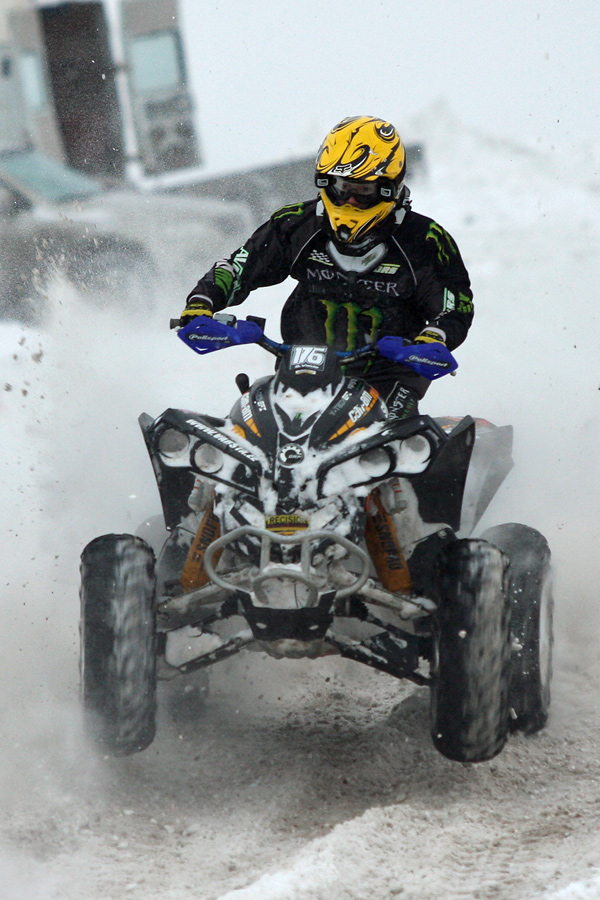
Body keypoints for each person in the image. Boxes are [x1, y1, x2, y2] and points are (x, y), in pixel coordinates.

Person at [180, 115, 474, 419]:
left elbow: (455, 307)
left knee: (394, 437)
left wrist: (434, 338)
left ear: (389, 188)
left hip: (388, 379)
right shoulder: (296, 224)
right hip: (300, 372)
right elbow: (239, 267)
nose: (350, 200)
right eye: (342, 187)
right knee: (253, 426)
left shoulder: (425, 240)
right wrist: (202, 302)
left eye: (362, 191)